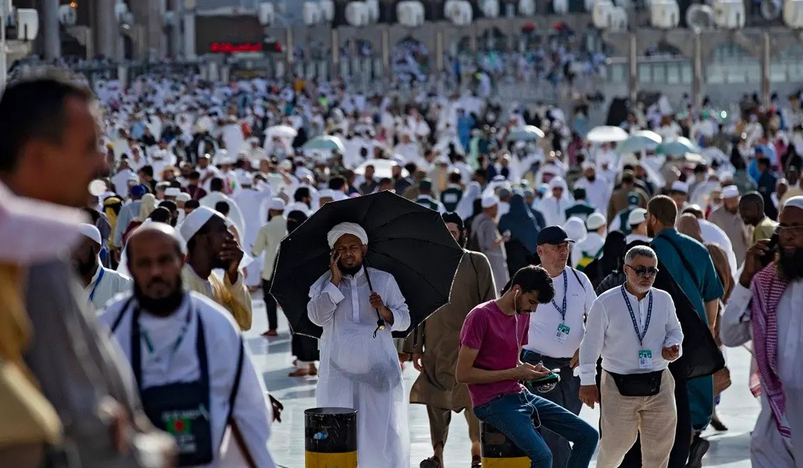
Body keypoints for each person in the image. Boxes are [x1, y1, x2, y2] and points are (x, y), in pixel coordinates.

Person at [1, 74, 174, 467]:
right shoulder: (26, 253)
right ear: (37, 158)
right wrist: (150, 452)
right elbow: (84, 421)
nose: (102, 160)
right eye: (89, 146)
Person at [101, 224, 277, 467]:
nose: (156, 272)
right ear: (130, 268)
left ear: (181, 261)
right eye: (144, 263)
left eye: (164, 260)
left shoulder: (215, 324)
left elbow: (251, 410)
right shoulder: (109, 326)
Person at [455, 265, 599, 468]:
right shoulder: (480, 316)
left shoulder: (522, 314)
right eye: (532, 301)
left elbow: (513, 362)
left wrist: (533, 371)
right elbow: (462, 374)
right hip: (490, 402)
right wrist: (515, 372)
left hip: (519, 394)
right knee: (543, 456)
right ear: (517, 290)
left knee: (588, 436)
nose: (533, 309)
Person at [307, 222, 412, 468]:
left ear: (364, 249)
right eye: (341, 248)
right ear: (333, 252)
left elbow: (405, 319)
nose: (347, 252)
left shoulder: (383, 281)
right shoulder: (323, 284)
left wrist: (385, 311)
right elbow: (317, 318)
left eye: (353, 246)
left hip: (379, 375)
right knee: (338, 434)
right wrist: (334, 283)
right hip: (339, 376)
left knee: (381, 434)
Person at [405, 212, 497, 468]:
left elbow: (490, 304)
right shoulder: (426, 266)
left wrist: (491, 346)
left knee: (473, 403)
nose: (448, 238)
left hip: (471, 348)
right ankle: (437, 455)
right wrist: (414, 347)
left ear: (463, 234)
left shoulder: (477, 262)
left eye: (453, 233)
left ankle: (477, 454)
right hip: (435, 348)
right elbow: (418, 308)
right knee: (435, 403)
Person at [579, 245, 683, 468]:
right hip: (617, 383)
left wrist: (672, 346)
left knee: (660, 446)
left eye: (652, 271)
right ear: (626, 270)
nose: (647, 276)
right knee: (616, 444)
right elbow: (590, 345)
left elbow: (675, 331)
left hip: (659, 381)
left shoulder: (664, 299)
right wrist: (587, 381)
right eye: (640, 270)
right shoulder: (605, 303)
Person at [641, 195, 723, 468]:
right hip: (696, 334)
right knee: (695, 394)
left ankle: (675, 455)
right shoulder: (699, 250)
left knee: (664, 398)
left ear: (652, 219)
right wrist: (709, 329)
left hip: (659, 337)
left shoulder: (648, 254)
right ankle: (692, 441)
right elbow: (713, 295)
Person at [720, 196, 803, 467]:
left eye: (797, 228)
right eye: (784, 227)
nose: (789, 236)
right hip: (773, 423)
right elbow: (730, 335)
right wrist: (745, 282)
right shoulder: (765, 283)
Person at [522, 226, 597, 467]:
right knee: (554, 432)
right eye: (557, 248)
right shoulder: (526, 281)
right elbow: (511, 322)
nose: (563, 252)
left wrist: (584, 348)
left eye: (566, 247)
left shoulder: (579, 279)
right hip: (538, 367)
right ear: (541, 251)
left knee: (566, 430)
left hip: (571, 369)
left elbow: (597, 321)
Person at [178, 206, 252, 331]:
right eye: (223, 230)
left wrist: (233, 275)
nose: (231, 236)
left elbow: (243, 322)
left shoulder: (214, 281)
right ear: (201, 239)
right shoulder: (181, 286)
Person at [72, 223, 133, 311]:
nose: (72, 253)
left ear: (97, 248)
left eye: (78, 247)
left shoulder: (122, 285)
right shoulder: (59, 287)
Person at [252, 197, 287, 339]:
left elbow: (256, 251)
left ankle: (272, 328)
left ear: (272, 211)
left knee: (269, 299)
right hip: (288, 268)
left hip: (271, 269)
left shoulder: (266, 228)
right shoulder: (291, 225)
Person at [470, 194, 510, 291]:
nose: (497, 209)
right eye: (496, 206)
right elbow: (490, 245)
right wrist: (503, 238)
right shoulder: (488, 223)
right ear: (491, 207)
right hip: (493, 261)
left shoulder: (477, 219)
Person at [499, 192, 540, 278]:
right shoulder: (529, 219)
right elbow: (535, 238)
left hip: (510, 256)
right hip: (527, 257)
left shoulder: (505, 218)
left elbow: (500, 234)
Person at [708, 185, 751, 266]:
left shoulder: (745, 212)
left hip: (743, 256)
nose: (733, 204)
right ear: (724, 201)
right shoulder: (715, 215)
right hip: (724, 257)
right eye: (730, 201)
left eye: (735, 201)